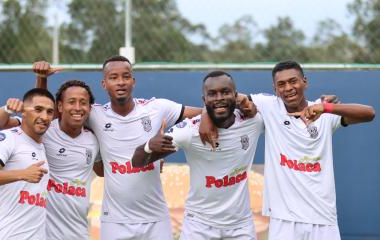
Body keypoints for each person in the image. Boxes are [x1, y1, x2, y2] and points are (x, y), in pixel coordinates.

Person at [33, 55, 211, 240]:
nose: (120, 82)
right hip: (115, 222)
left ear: (133, 81)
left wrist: (206, 115)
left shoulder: (158, 108)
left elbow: (205, 112)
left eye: (125, 76)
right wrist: (41, 78)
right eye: (113, 77)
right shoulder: (94, 114)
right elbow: (45, 116)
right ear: (104, 84)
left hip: (156, 219)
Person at [248, 60, 376, 240]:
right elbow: (232, 99)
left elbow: (369, 113)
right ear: (275, 89)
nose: (288, 88)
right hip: (284, 220)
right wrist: (206, 116)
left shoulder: (323, 112)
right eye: (281, 84)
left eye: (293, 81)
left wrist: (327, 108)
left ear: (305, 82)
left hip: (323, 219)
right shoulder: (269, 106)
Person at [131, 70, 263, 240]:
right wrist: (149, 145)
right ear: (204, 100)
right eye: (212, 94)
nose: (219, 97)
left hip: (240, 226)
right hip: (199, 226)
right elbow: (137, 162)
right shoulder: (189, 130)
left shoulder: (254, 121)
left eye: (225, 92)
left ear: (235, 96)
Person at [0, 79, 103, 240]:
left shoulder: (93, 139)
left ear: (89, 108)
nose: (77, 107)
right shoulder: (45, 128)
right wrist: (40, 78)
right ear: (60, 107)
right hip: (44, 232)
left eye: (83, 103)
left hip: (79, 232)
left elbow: (103, 172)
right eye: (71, 102)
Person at [0, 88, 55, 240]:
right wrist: (22, 174)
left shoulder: (43, 142)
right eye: (38, 110)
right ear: (23, 112)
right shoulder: (8, 137)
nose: (44, 117)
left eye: (49, 112)